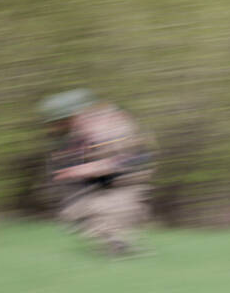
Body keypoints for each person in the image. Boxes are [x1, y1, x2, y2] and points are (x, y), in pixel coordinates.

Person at [38, 88, 154, 256]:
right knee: (80, 211)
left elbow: (134, 158)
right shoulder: (68, 133)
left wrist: (96, 167)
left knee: (113, 207)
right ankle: (114, 241)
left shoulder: (114, 127)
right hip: (87, 181)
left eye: (62, 121)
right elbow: (64, 159)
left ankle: (118, 242)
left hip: (124, 176)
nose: (57, 126)